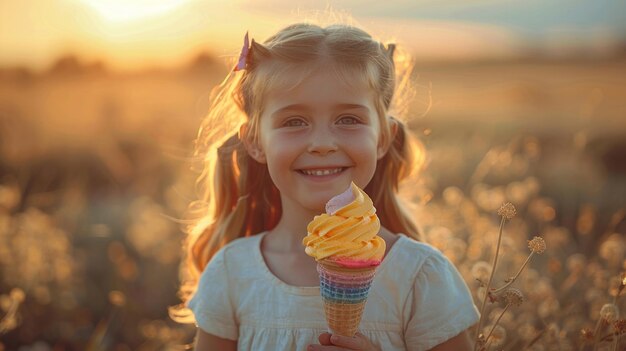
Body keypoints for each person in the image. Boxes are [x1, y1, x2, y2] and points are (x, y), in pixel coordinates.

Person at [172, 22, 479, 351]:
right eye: (294, 122)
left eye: (348, 119)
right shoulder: (231, 273)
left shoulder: (420, 277)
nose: (321, 143)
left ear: (384, 138)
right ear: (255, 142)